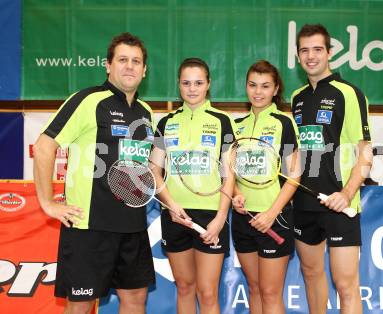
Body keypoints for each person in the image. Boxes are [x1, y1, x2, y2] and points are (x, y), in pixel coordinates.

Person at [33, 32, 155, 314]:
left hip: (133, 226)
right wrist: (47, 202)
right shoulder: (88, 100)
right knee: (80, 304)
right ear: (108, 65)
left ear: (145, 70)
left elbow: (149, 169)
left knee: (136, 299)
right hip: (90, 226)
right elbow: (43, 147)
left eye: (136, 61)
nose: (129, 66)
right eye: (122, 60)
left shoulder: (146, 112)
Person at [291, 24, 373, 314]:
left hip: (341, 203)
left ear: (329, 52)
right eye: (304, 50)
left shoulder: (349, 93)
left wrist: (346, 193)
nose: (310, 56)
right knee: (312, 277)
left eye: (317, 49)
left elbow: (365, 152)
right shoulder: (297, 97)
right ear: (298, 56)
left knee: (346, 284)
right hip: (303, 203)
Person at [149, 57, 237, 314]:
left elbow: (228, 173)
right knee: (185, 287)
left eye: (198, 82)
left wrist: (221, 218)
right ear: (179, 85)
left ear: (208, 84)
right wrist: (171, 204)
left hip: (211, 216)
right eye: (186, 83)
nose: (192, 88)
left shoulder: (222, 121)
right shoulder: (166, 122)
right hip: (175, 215)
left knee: (207, 292)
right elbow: (154, 171)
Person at [231, 60, 300, 314]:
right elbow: (230, 174)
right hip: (243, 219)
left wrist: (271, 213)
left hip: (275, 218)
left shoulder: (284, 123)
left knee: (271, 293)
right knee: (255, 288)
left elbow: (295, 173)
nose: (258, 92)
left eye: (265, 86)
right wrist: (235, 196)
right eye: (252, 85)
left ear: (275, 89)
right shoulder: (236, 126)